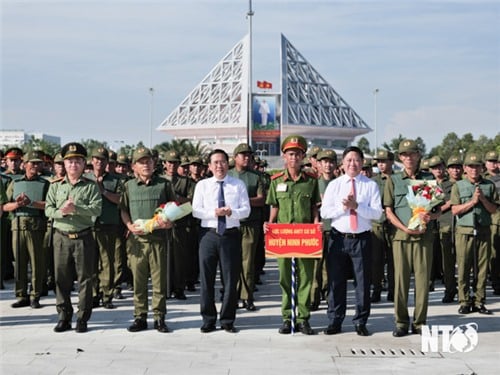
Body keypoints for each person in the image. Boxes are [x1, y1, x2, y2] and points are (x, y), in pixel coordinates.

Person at [321, 146, 382, 336]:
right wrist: (344, 208)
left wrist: (357, 206)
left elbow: (377, 213)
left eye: (356, 160)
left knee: (362, 282)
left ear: (362, 163)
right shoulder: (335, 185)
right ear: (342, 163)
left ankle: (361, 321)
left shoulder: (370, 185)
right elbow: (325, 212)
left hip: (361, 239)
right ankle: (335, 320)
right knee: (336, 281)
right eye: (348, 160)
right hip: (339, 238)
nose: (352, 164)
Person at [264, 135, 321, 335]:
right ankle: (287, 317)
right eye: (290, 154)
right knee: (285, 277)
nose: (294, 158)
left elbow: (315, 207)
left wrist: (316, 224)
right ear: (284, 157)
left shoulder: (311, 182)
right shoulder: (276, 181)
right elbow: (274, 206)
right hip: (283, 237)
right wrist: (269, 225)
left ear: (303, 156)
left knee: (306, 277)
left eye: (297, 154)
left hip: (306, 236)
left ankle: (304, 318)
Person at [384, 139, 439, 337]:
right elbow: (388, 211)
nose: (408, 158)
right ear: (400, 158)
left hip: (424, 237)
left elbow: (439, 210)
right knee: (400, 281)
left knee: (423, 282)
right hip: (401, 237)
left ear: (418, 156)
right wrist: (405, 229)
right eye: (404, 155)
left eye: (412, 154)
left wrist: (430, 216)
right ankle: (401, 322)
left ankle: (420, 322)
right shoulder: (393, 180)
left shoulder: (428, 179)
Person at [45, 142, 102, 333]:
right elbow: (48, 209)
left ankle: (82, 318)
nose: (73, 165)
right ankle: (64, 316)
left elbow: (96, 209)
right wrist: (62, 212)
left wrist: (76, 209)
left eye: (77, 161)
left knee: (85, 279)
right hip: (61, 237)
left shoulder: (90, 186)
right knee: (61, 279)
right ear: (64, 164)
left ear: (83, 164)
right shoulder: (55, 186)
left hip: (83, 237)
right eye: (69, 161)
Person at [192, 149, 250, 333]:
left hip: (230, 235)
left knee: (230, 279)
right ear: (209, 166)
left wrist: (232, 212)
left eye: (223, 162)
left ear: (228, 163)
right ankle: (208, 319)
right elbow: (196, 210)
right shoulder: (202, 185)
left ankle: (227, 320)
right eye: (215, 162)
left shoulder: (238, 185)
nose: (219, 165)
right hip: (208, 235)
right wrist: (214, 213)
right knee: (207, 279)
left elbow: (246, 210)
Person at [119, 147, 176, 333]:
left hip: (158, 240)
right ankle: (140, 317)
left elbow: (172, 208)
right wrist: (128, 225)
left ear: (154, 163)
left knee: (159, 282)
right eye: (141, 162)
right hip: (137, 242)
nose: (146, 165)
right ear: (134, 166)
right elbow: (123, 209)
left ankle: (159, 318)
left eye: (149, 161)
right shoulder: (129, 186)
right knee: (139, 282)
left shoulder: (164, 184)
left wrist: (170, 223)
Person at [451, 152, 498, 315]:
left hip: (484, 230)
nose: (474, 169)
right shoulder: (458, 186)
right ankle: (464, 301)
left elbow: (494, 210)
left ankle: (479, 301)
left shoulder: (489, 186)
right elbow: (455, 209)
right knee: (464, 267)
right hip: (464, 231)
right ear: (465, 168)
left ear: (482, 167)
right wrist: (472, 202)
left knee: (482, 268)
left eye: (477, 166)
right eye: (470, 166)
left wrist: (483, 199)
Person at [3, 151, 50, 309]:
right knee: (20, 263)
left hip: (36, 225)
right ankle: (21, 295)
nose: (35, 166)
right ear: (25, 164)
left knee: (37, 262)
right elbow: (5, 206)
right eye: (32, 163)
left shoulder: (44, 183)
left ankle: (35, 295)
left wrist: (32, 203)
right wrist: (17, 205)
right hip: (18, 225)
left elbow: (49, 205)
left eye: (38, 163)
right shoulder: (15, 183)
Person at [84, 146, 124, 308]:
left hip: (108, 225)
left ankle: (107, 295)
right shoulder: (84, 178)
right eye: (96, 159)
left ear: (107, 162)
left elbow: (121, 200)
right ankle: (94, 294)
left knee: (107, 263)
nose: (99, 162)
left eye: (102, 159)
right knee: (90, 263)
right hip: (88, 225)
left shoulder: (115, 180)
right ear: (92, 161)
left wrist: (104, 192)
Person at [228, 143, 265, 311]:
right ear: (235, 157)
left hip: (250, 224)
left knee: (248, 263)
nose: (247, 157)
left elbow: (261, 199)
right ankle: (232, 294)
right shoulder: (228, 176)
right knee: (231, 262)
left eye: (249, 155)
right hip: (231, 224)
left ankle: (247, 296)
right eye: (243, 155)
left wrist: (243, 202)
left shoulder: (256, 176)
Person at [162, 150, 195, 300]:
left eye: (175, 163)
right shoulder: (160, 180)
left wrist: (176, 200)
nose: (172, 165)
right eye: (169, 162)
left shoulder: (186, 181)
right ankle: (165, 287)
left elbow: (191, 200)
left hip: (180, 223)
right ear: (164, 164)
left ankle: (179, 288)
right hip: (162, 224)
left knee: (180, 258)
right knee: (164, 258)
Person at [310, 149, 337, 311]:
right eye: (324, 162)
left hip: (334, 229)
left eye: (331, 162)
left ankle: (329, 297)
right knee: (315, 267)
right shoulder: (313, 183)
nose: (328, 165)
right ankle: (314, 298)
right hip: (317, 229)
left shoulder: (340, 183)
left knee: (331, 268)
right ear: (318, 164)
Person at [428, 155, 458, 303]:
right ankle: (430, 283)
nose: (438, 170)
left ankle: (450, 289)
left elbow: (452, 201)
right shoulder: (427, 184)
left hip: (447, 224)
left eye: (440, 167)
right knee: (432, 259)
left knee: (448, 261)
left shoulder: (451, 184)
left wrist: (438, 211)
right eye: (434, 168)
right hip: (431, 226)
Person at [370, 150, 395, 303]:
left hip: (394, 225)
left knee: (394, 261)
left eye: (384, 161)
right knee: (376, 261)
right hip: (377, 224)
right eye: (378, 161)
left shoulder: (397, 179)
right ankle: (376, 290)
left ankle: (393, 290)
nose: (381, 164)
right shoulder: (372, 181)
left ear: (391, 162)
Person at [483, 150, 500, 295]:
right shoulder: (484, 180)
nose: (494, 164)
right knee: (494, 252)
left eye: (496, 161)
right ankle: (495, 281)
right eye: (491, 161)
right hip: (494, 219)